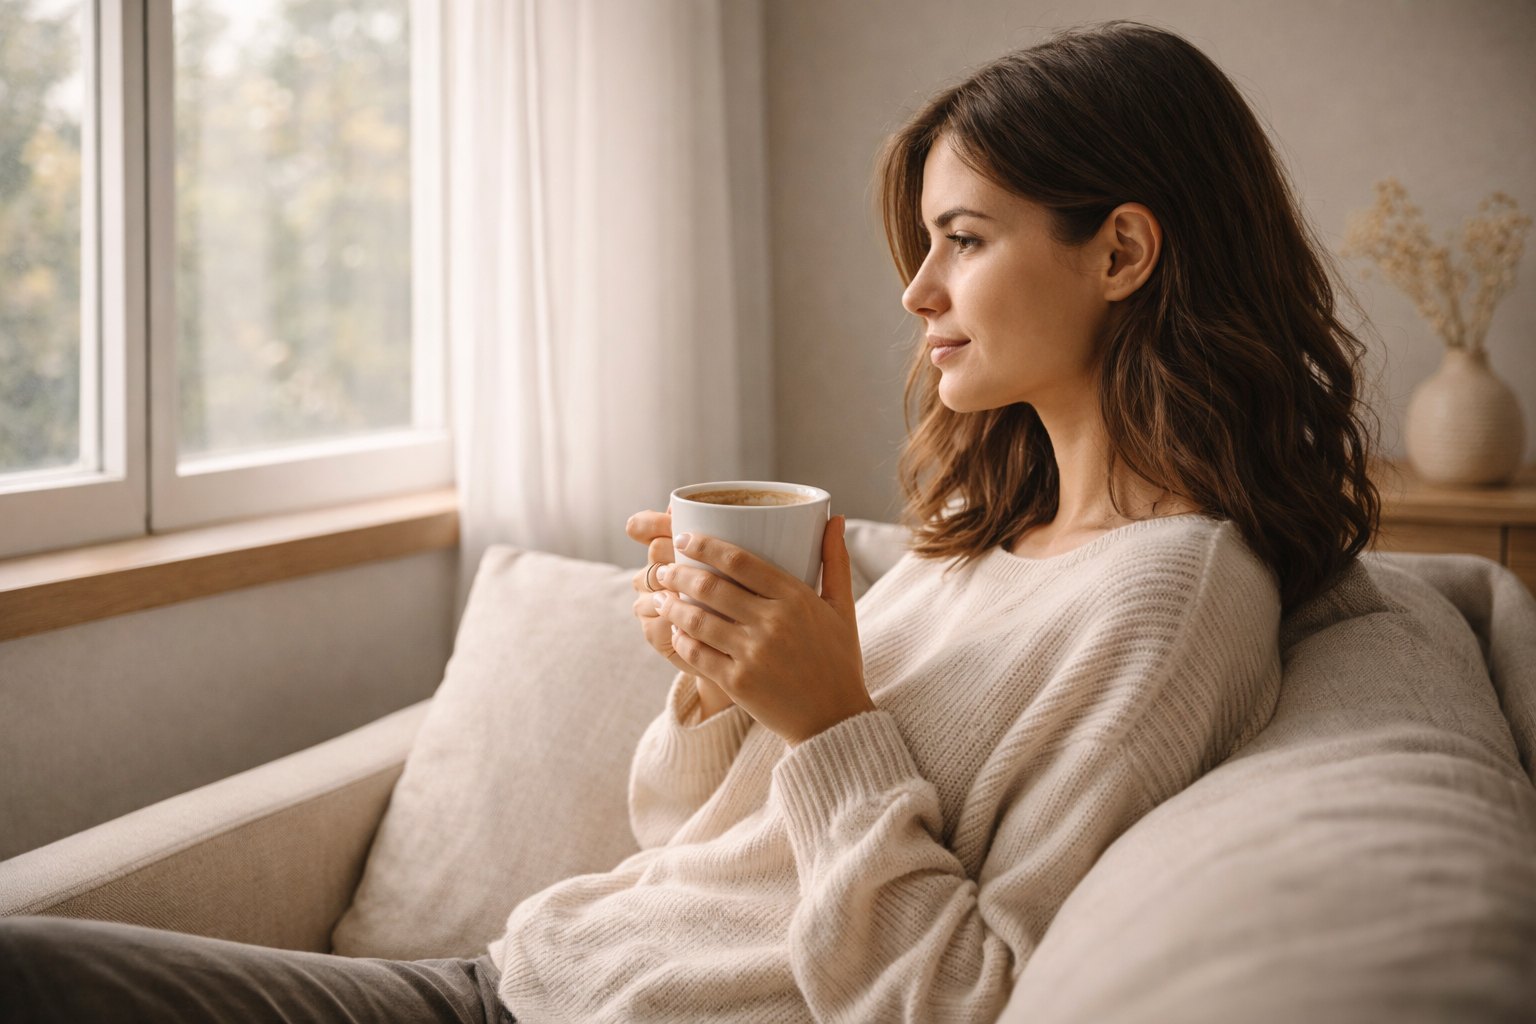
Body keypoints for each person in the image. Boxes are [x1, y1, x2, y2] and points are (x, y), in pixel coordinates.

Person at [1, 21, 1376, 1024]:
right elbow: (679, 839)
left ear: (1123, 252)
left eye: (962, 237)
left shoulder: (1171, 601)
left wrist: (834, 722)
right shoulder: (986, 538)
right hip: (530, 977)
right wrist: (719, 693)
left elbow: (961, 996)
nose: (916, 291)